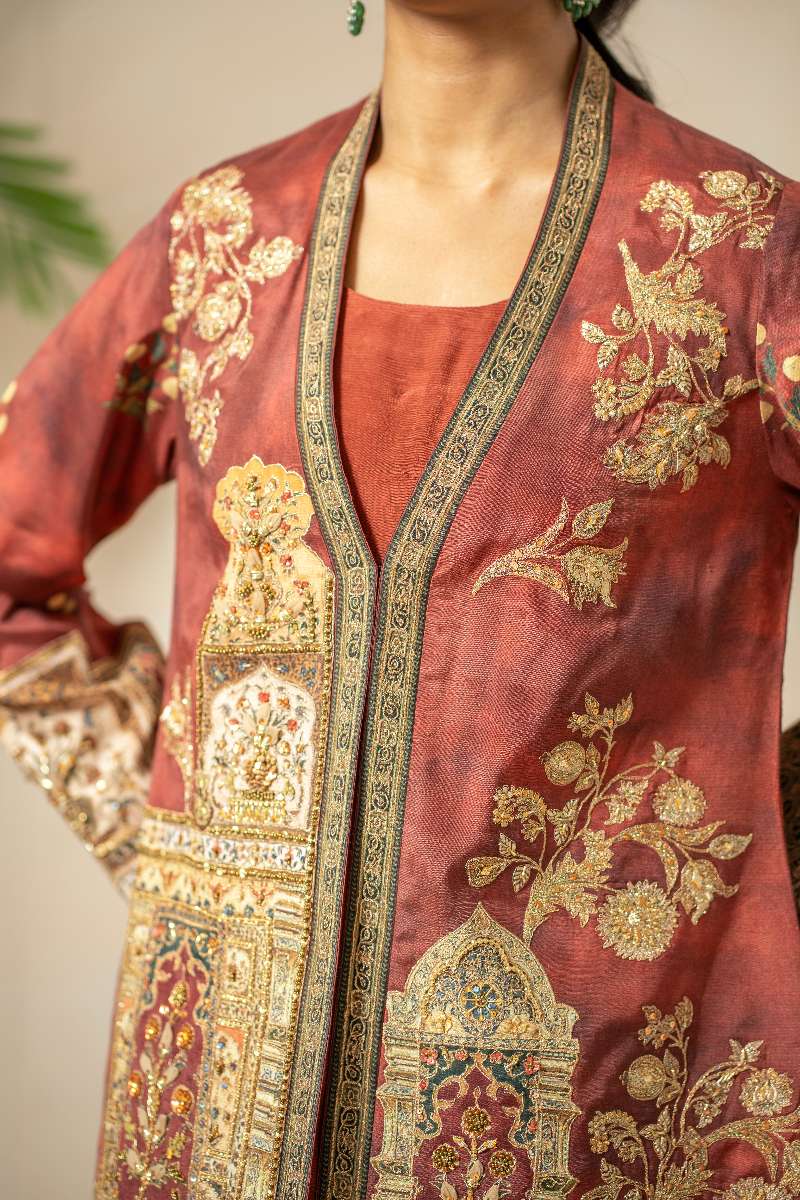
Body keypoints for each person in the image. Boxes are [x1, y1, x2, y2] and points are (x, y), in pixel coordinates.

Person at [1, 2, 799, 1197]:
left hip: (595, 1109)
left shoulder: (737, 250)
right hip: (216, 1107)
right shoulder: (224, 238)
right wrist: (182, 842)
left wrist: (744, 880)